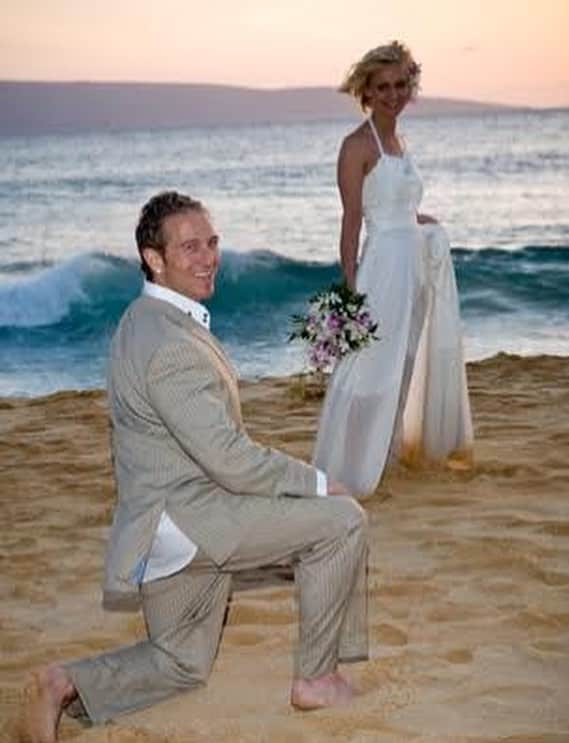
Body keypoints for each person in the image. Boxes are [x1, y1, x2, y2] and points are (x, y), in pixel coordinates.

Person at [25, 191, 368, 742]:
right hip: (191, 519)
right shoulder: (167, 342)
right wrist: (320, 483)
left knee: (181, 664)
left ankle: (64, 684)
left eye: (212, 242)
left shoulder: (146, 318)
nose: (208, 257)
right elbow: (231, 460)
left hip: (165, 523)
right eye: (189, 246)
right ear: (154, 259)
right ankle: (318, 678)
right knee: (342, 522)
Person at [313, 40, 473, 495]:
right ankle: (350, 465)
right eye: (382, 86)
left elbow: (396, 206)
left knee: (401, 362)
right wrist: (350, 291)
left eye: (401, 84)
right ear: (365, 90)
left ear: (411, 86)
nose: (393, 94)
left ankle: (382, 456)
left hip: (414, 267)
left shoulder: (400, 141)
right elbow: (351, 223)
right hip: (382, 268)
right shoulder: (356, 146)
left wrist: (420, 222)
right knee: (369, 367)